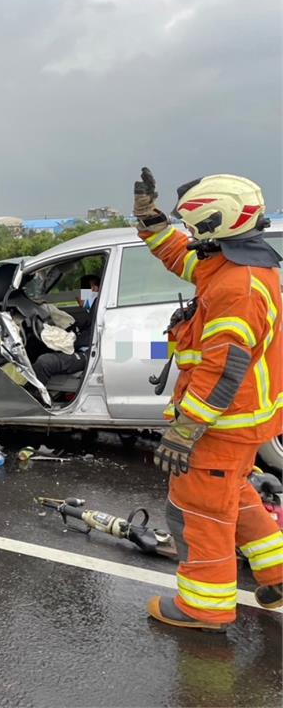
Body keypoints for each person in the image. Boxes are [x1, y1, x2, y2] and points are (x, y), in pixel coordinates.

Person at [133, 167, 283, 632]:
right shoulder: (234, 266)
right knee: (235, 500)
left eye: (195, 224)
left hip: (222, 426)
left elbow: (224, 370)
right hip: (239, 425)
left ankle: (205, 608)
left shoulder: (237, 288)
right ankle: (277, 573)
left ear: (217, 223)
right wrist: (151, 222)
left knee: (197, 510)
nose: (190, 233)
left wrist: (185, 429)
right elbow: (182, 257)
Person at [31, 274, 100, 385]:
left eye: (80, 292)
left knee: (44, 362)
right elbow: (86, 326)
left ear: (93, 289)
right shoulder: (94, 308)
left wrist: (71, 340)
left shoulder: (98, 307)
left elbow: (93, 335)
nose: (78, 297)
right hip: (86, 349)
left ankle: (35, 396)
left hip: (88, 353)